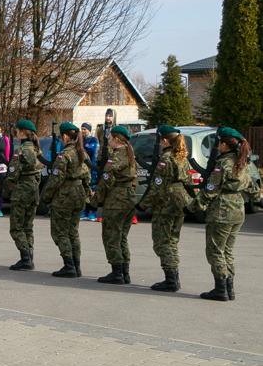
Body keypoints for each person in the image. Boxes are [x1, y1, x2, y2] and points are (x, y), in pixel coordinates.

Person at [187, 127, 258, 301]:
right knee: (227, 251)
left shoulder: (223, 164)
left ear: (225, 144)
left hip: (222, 211)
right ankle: (229, 289)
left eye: (219, 142)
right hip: (237, 210)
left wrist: (191, 208)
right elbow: (251, 188)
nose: (217, 146)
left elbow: (210, 190)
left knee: (215, 252)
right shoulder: (242, 163)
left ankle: (220, 290)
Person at [137, 125, 192, 292]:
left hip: (167, 202)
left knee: (162, 242)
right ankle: (173, 277)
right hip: (180, 200)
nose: (160, 144)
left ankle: (171, 280)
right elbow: (189, 180)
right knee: (172, 240)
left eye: (161, 140)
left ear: (165, 140)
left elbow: (157, 186)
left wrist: (142, 205)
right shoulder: (182, 157)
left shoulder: (166, 158)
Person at [41, 123, 90, 278]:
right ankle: (76, 265)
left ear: (65, 137)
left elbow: (56, 179)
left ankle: (68, 265)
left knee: (60, 232)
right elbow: (87, 176)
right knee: (73, 231)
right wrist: (87, 194)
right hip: (79, 195)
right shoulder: (81, 152)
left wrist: (46, 197)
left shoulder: (64, 155)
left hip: (65, 197)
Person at [92, 125, 136, 284]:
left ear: (116, 139)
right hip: (128, 199)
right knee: (122, 236)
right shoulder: (130, 154)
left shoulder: (116, 157)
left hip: (116, 200)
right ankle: (125, 272)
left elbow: (106, 181)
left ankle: (117, 273)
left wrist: (95, 201)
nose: (108, 141)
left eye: (110, 138)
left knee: (111, 236)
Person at [5, 120, 42, 270]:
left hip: (21, 192)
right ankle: (29, 256)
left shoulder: (20, 151)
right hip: (33, 191)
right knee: (28, 226)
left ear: (21, 133)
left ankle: (25, 258)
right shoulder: (36, 150)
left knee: (16, 227)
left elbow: (12, 175)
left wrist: (6, 192)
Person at [80, 122, 99, 221]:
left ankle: (94, 212)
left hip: (92, 170)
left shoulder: (93, 141)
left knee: (92, 192)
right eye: (82, 129)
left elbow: (93, 156)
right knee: (85, 191)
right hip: (83, 171)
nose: (83, 131)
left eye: (85, 129)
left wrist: (94, 171)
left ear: (89, 130)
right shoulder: (80, 141)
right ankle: (85, 211)